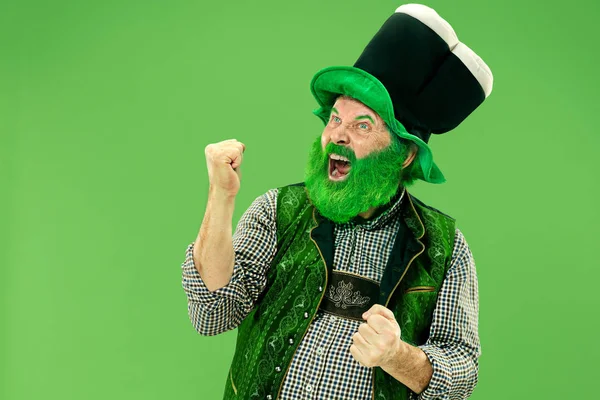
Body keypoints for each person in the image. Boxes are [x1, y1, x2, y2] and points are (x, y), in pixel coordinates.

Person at [181, 4, 493, 399]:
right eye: (334, 118)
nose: (337, 135)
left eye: (362, 125)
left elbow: (462, 369)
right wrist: (221, 196)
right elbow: (213, 313)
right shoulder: (277, 212)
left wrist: (397, 356)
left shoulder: (445, 248)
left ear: (405, 154)